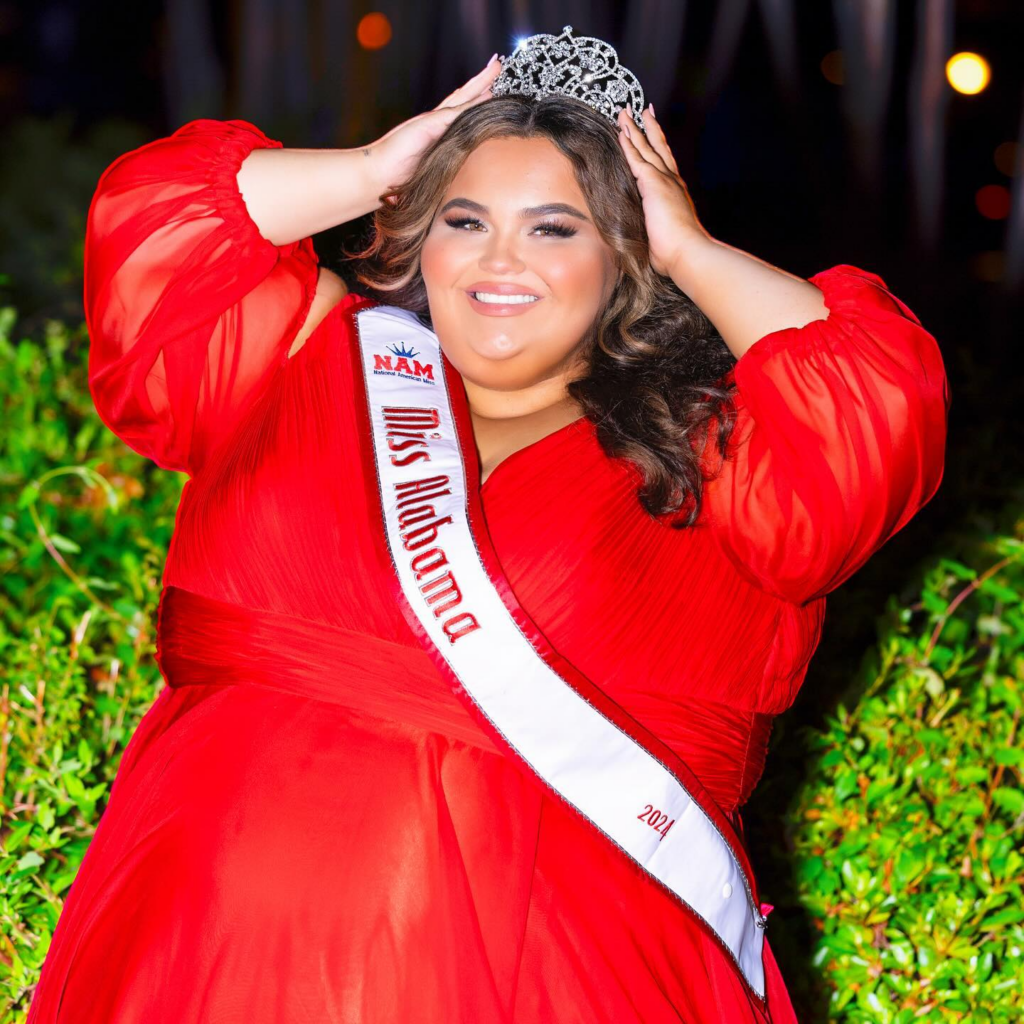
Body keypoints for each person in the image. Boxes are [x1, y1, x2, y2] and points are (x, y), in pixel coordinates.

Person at [27, 30, 949, 1024]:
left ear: (624, 252)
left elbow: (873, 397)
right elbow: (157, 225)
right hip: (210, 953)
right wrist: (375, 167)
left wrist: (690, 246)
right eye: (463, 218)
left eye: (555, 228)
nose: (499, 258)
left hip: (564, 977)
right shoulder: (299, 354)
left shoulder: (716, 452)